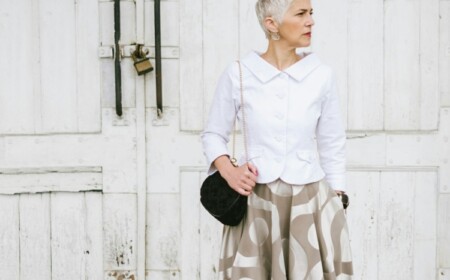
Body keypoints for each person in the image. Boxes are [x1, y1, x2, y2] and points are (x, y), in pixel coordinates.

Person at [201, 0, 353, 278]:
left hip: (310, 203)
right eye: (301, 13)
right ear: (272, 24)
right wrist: (229, 171)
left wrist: (338, 198)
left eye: (311, 13)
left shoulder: (321, 75)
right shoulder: (239, 73)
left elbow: (332, 142)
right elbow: (213, 134)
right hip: (255, 203)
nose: (311, 21)